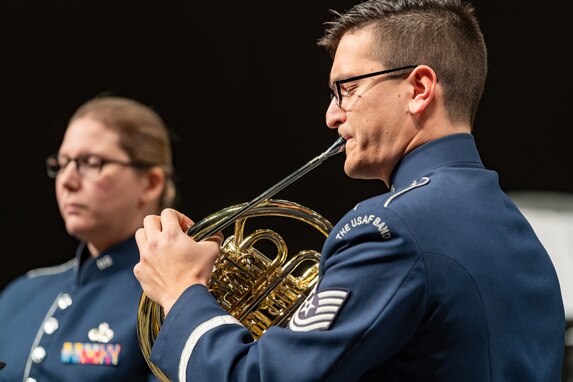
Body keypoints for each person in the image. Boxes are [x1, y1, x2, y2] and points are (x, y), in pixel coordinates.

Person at [133, 0, 566, 380]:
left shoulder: (393, 227)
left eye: (348, 89)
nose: (331, 116)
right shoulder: (516, 231)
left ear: (418, 89)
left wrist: (182, 290)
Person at [0, 95, 175, 381]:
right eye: (63, 163)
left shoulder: (171, 299)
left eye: (90, 162)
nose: (67, 181)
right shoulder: (19, 294)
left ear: (151, 183)